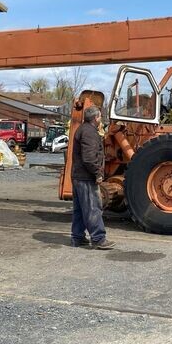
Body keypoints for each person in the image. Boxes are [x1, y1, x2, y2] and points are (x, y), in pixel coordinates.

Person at [70, 106, 115, 249]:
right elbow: (89, 158)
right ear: (96, 118)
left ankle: (77, 237)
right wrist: (98, 173)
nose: (101, 119)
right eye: (100, 117)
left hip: (78, 175)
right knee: (93, 208)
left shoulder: (83, 129)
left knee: (80, 209)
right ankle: (98, 238)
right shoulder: (89, 133)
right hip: (86, 176)